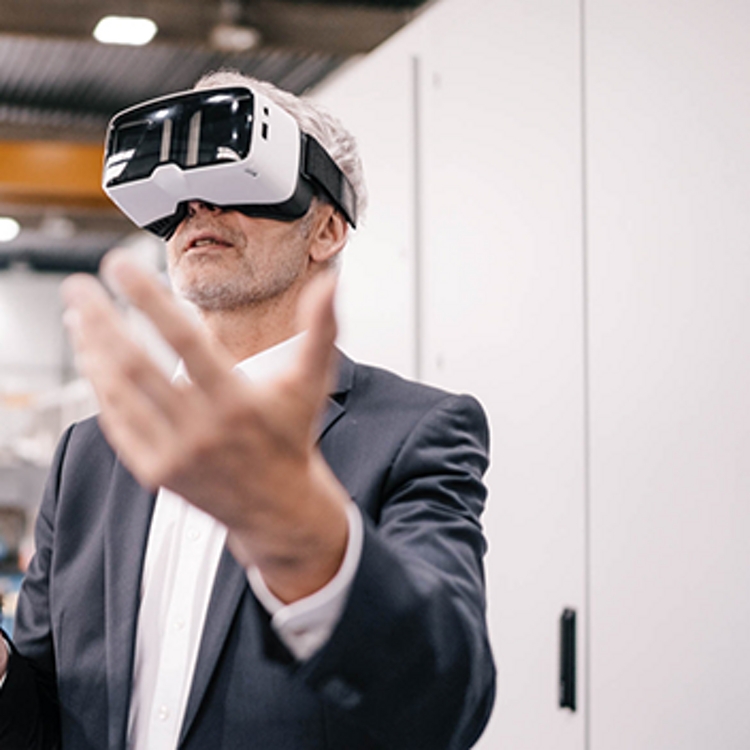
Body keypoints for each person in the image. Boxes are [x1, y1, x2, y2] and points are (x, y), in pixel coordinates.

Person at [0, 70, 495, 749]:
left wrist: (306, 541)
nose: (197, 207)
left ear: (325, 230)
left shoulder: (414, 433)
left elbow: (444, 704)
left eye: (237, 183)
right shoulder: (93, 450)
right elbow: (41, 712)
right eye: (177, 196)